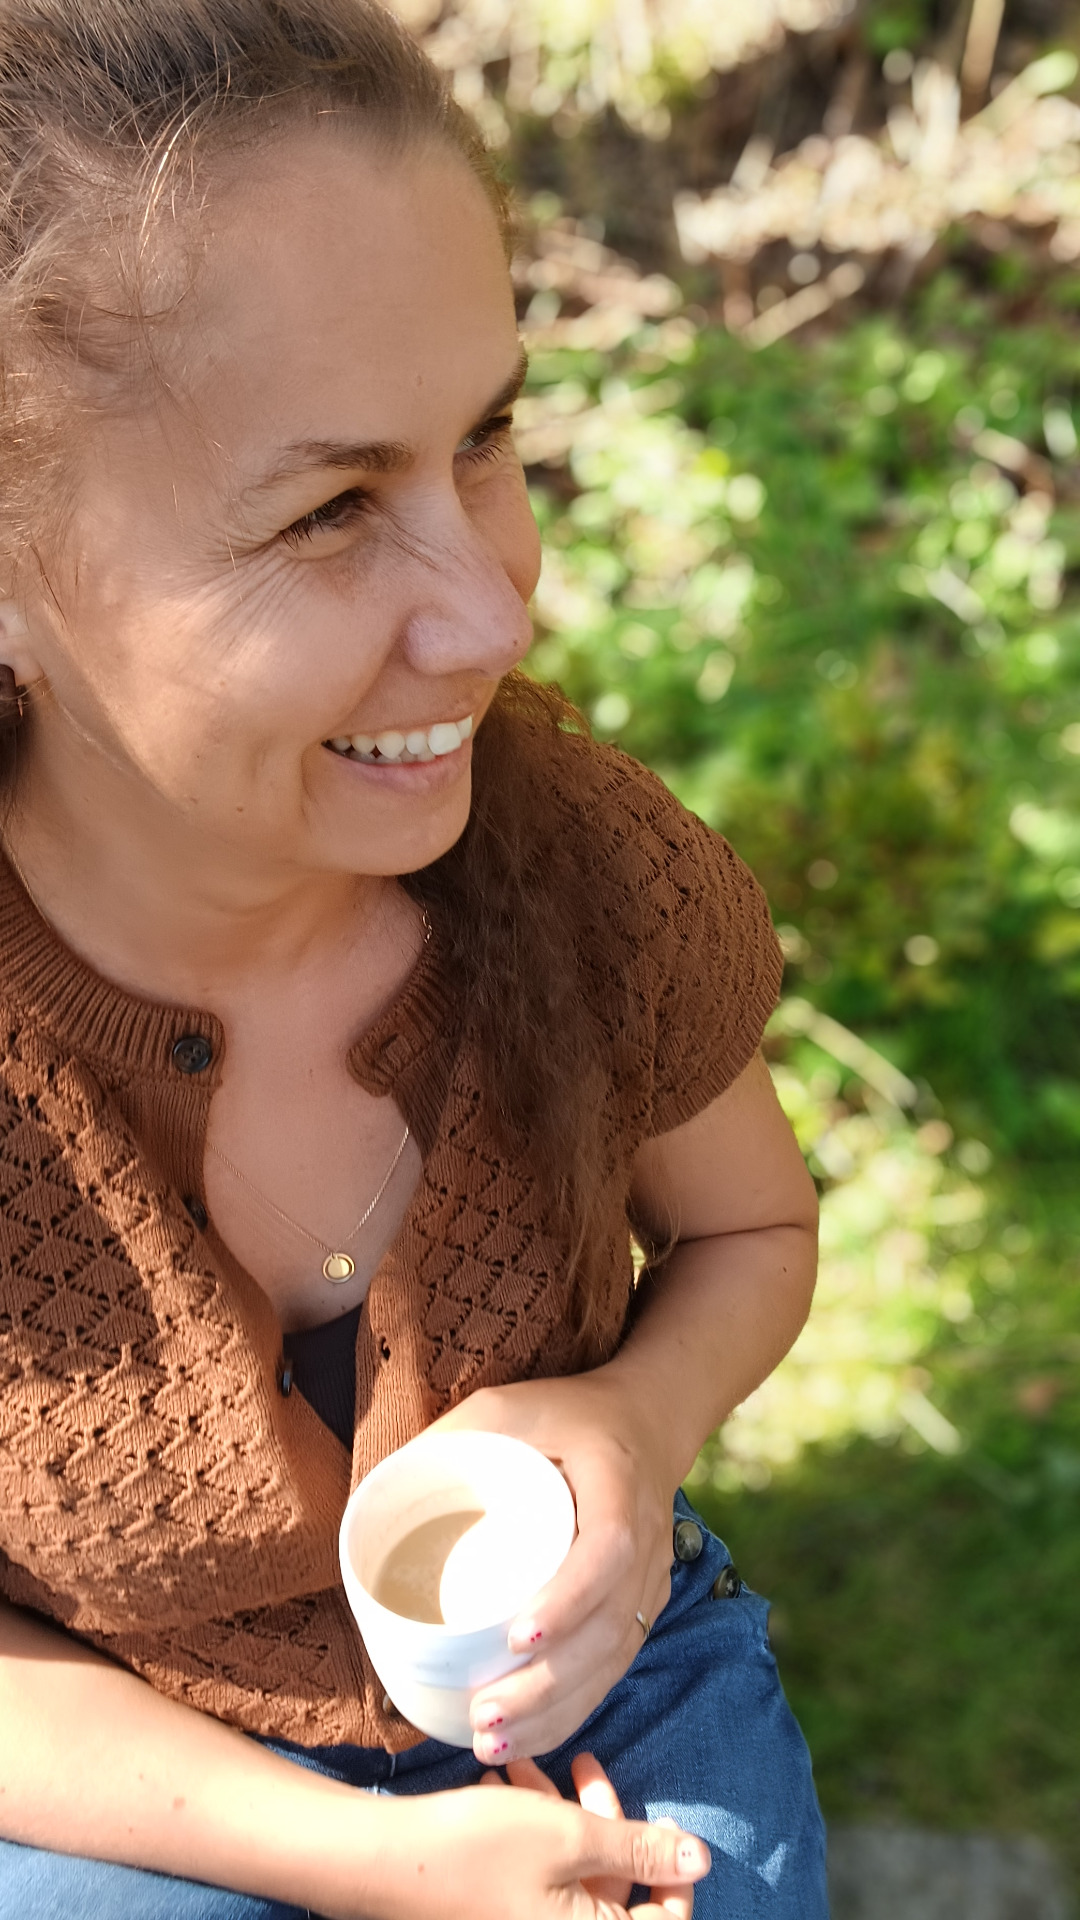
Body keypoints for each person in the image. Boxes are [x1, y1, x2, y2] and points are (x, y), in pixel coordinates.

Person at [0, 2, 827, 1915]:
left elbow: (750, 1231)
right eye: (328, 510)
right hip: (110, 1768)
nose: (491, 613)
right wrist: (371, 1863)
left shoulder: (584, 874)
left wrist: (632, 1420)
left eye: (489, 438)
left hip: (609, 1672)